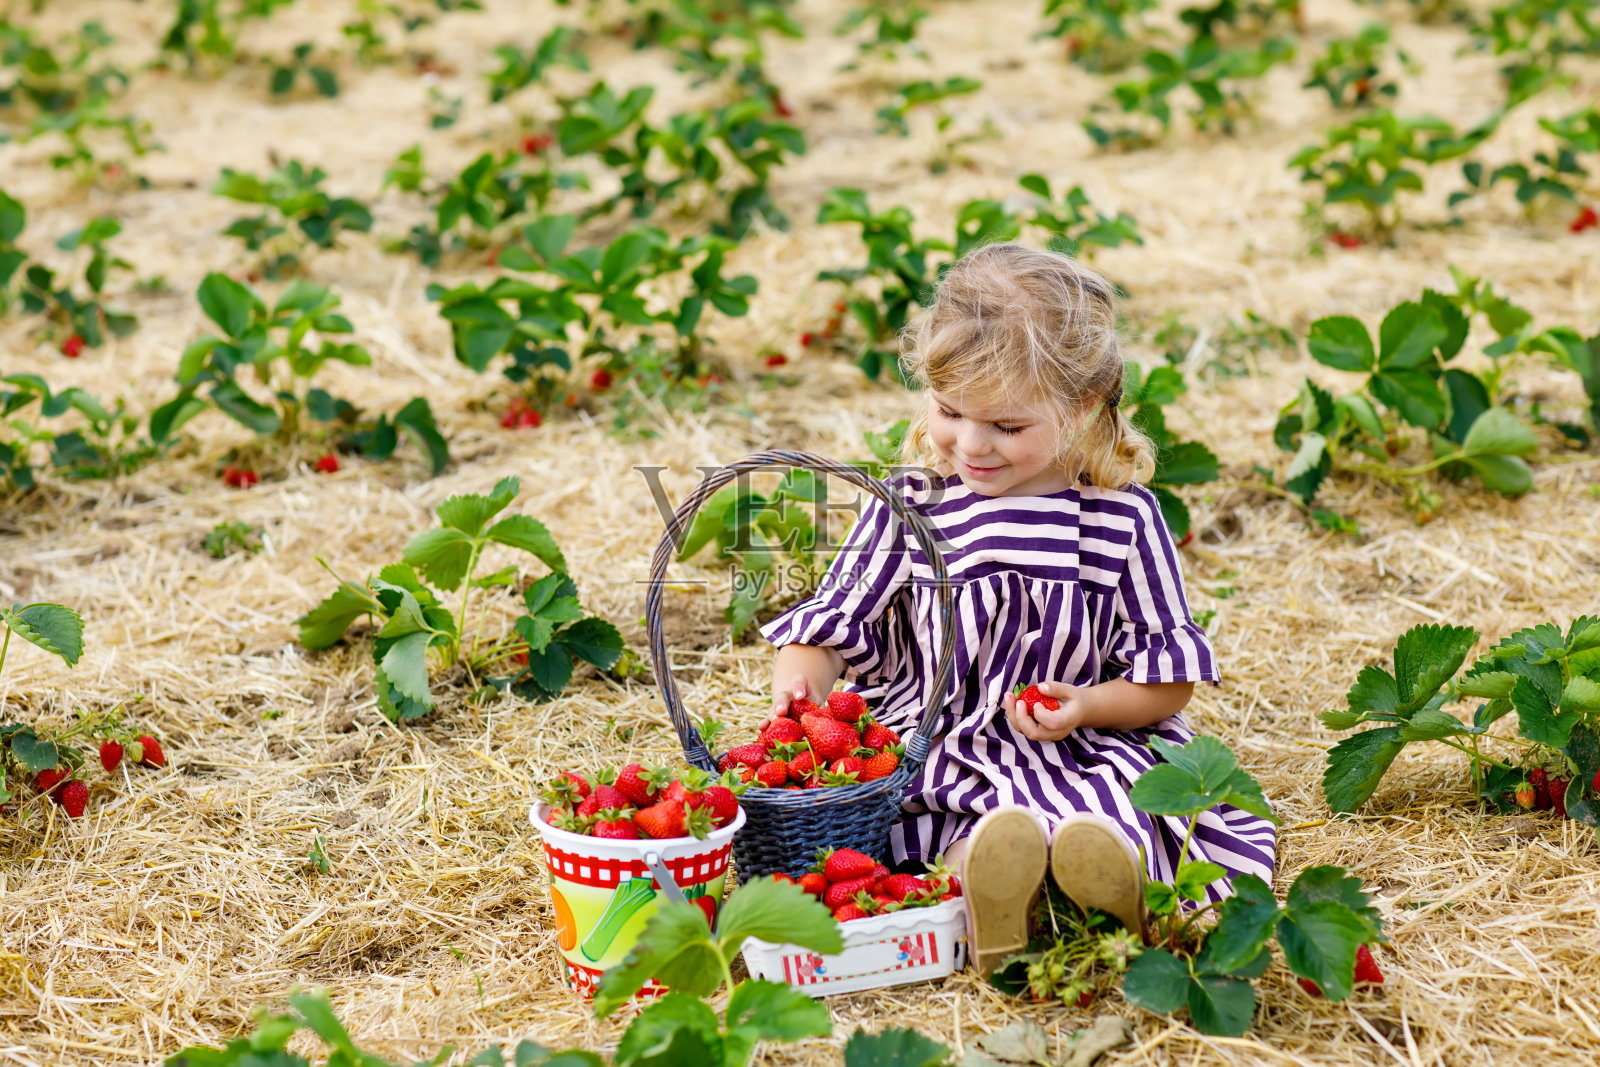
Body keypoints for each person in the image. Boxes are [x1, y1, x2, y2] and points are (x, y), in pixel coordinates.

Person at [760, 242, 1275, 975]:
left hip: (1080, 746)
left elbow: (1168, 678)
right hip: (934, 744)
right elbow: (832, 624)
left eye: (1006, 426)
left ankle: (1105, 885)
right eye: (949, 411)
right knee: (927, 825)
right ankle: (993, 886)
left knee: (1113, 808)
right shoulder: (911, 507)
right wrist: (801, 681)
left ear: (1080, 409)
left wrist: (1090, 704)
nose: (971, 443)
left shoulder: (1122, 520)